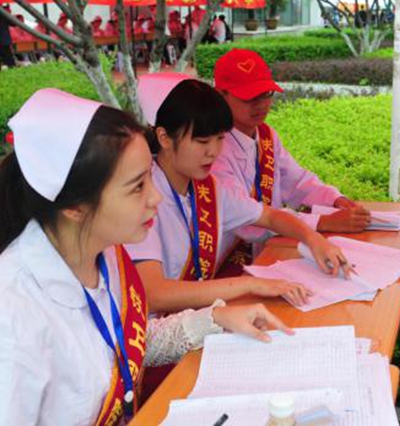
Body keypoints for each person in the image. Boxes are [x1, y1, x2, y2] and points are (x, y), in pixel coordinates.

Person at [0, 88, 293, 424]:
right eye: (137, 186)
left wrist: (215, 319)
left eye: (149, 180)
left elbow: (125, 345)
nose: (155, 198)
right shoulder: (12, 317)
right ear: (75, 207)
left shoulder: (104, 253)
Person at [127, 72, 350, 315]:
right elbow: (154, 295)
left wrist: (314, 240)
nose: (214, 151)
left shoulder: (207, 188)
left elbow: (270, 217)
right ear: (164, 137)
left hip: (197, 315)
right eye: (202, 142)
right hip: (153, 329)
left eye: (220, 138)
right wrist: (250, 284)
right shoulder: (139, 197)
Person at [211, 49, 371, 272]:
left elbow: (298, 182)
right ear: (221, 95)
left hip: (269, 250)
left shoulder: (266, 135)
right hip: (225, 264)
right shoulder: (212, 149)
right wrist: (324, 222)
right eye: (249, 97)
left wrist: (335, 199)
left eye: (266, 94)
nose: (260, 104)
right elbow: (246, 218)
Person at [0, 4, 16, 68]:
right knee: (8, 57)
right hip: (4, 39)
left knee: (7, 56)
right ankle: (11, 66)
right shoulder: (4, 14)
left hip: (4, 39)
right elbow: (14, 23)